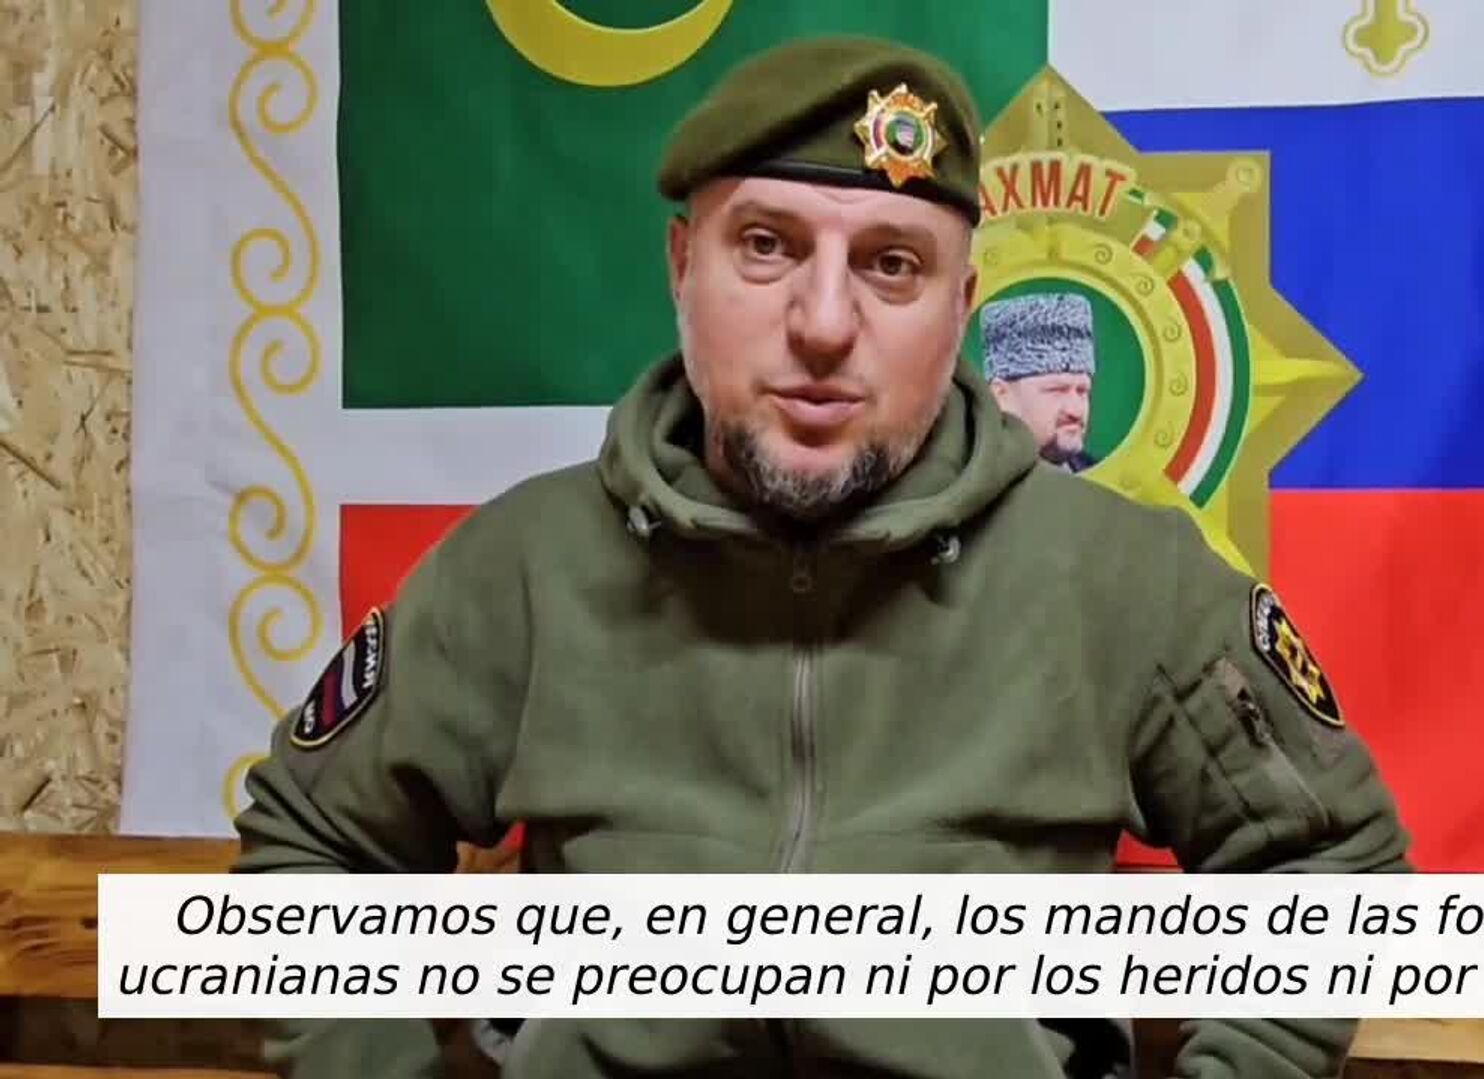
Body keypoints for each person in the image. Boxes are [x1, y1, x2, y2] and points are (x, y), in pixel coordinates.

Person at [230, 33, 1412, 1079]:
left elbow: (1329, 857)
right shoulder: (524, 568)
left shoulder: (1120, 579)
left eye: (892, 264)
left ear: (963, 305)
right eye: (766, 246)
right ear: (681, 267)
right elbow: (312, 841)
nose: (826, 323)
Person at [982, 292, 1101, 473]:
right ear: (1000, 395)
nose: (1075, 411)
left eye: (1082, 391)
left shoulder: (1101, 478)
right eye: (1057, 390)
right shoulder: (965, 481)